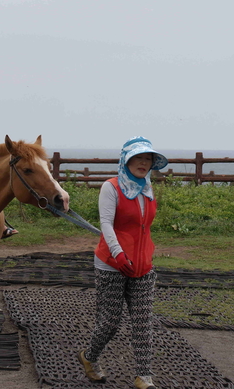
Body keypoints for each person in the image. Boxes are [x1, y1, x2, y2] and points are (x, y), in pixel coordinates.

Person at [77, 136, 168, 389]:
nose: (143, 163)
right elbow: (106, 224)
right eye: (138, 158)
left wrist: (146, 255)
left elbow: (143, 228)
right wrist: (117, 253)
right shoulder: (111, 187)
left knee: (143, 321)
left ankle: (144, 376)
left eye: (147, 159)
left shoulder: (148, 190)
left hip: (142, 266)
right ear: (126, 160)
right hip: (111, 264)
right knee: (110, 322)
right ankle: (90, 357)